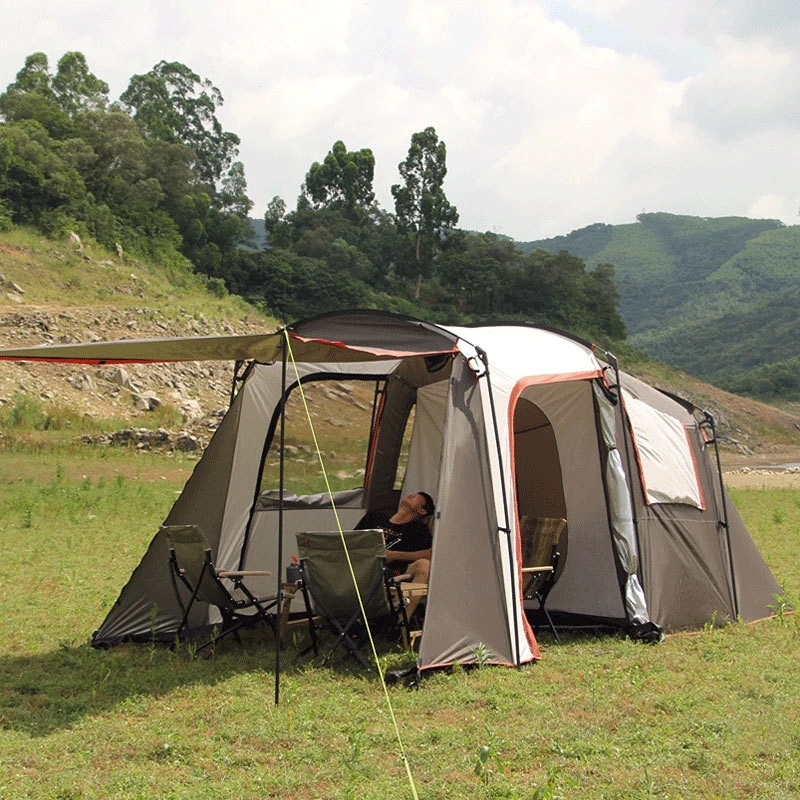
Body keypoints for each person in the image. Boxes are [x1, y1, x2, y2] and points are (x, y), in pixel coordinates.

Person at [355, 491, 435, 619]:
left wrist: (393, 555)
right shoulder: (375, 517)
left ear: (422, 511)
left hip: (394, 573)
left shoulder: (418, 529)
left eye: (419, 496)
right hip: (361, 566)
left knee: (425, 565)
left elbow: (431, 554)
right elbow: (352, 540)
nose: (412, 494)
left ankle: (402, 622)